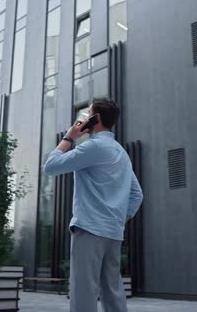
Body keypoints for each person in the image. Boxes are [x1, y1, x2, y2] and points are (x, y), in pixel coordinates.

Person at [44, 97, 143, 312]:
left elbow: (51, 166)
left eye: (87, 114)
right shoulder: (121, 153)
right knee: (113, 291)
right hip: (114, 232)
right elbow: (137, 195)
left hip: (90, 229)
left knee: (83, 292)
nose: (84, 119)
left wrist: (69, 138)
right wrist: (117, 219)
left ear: (95, 119)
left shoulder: (94, 147)